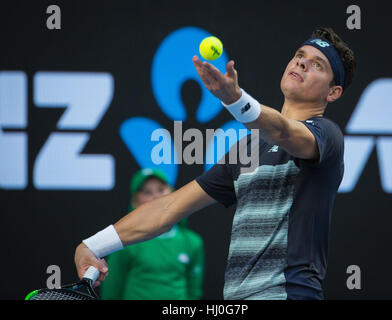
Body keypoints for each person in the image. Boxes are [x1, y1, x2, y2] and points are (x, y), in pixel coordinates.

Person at [75, 27, 356, 300]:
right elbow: (166, 209)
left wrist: (236, 100)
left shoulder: (327, 136)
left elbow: (283, 131)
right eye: (300, 55)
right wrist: (94, 245)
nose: (303, 63)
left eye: (318, 64)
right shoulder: (246, 149)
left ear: (333, 93)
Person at [100, 168, 204, 300]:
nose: (156, 197)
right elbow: (112, 290)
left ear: (173, 194)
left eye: (161, 190)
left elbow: (194, 292)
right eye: (147, 192)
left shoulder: (192, 242)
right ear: (135, 202)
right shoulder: (125, 241)